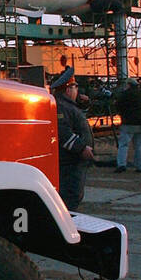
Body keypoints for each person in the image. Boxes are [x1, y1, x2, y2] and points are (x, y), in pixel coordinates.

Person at [51, 69, 94, 209]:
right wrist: (81, 148)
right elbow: (62, 132)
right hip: (70, 160)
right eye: (75, 87)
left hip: (74, 160)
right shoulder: (61, 107)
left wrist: (84, 104)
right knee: (71, 195)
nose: (77, 91)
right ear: (68, 89)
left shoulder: (67, 105)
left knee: (74, 193)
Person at [114, 78, 141, 173]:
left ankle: (121, 165)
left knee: (123, 145)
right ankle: (140, 166)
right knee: (138, 146)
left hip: (127, 123)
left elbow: (118, 105)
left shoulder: (125, 94)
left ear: (128, 85)